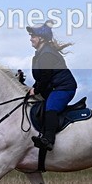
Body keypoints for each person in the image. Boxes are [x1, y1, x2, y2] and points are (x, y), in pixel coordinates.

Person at [26, 22, 77, 151]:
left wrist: (36, 89)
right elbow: (40, 78)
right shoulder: (39, 55)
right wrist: (32, 89)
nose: (31, 39)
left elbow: (46, 77)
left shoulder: (46, 54)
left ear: (41, 38)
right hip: (54, 87)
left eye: (33, 36)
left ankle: (48, 140)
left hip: (64, 88)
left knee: (51, 106)